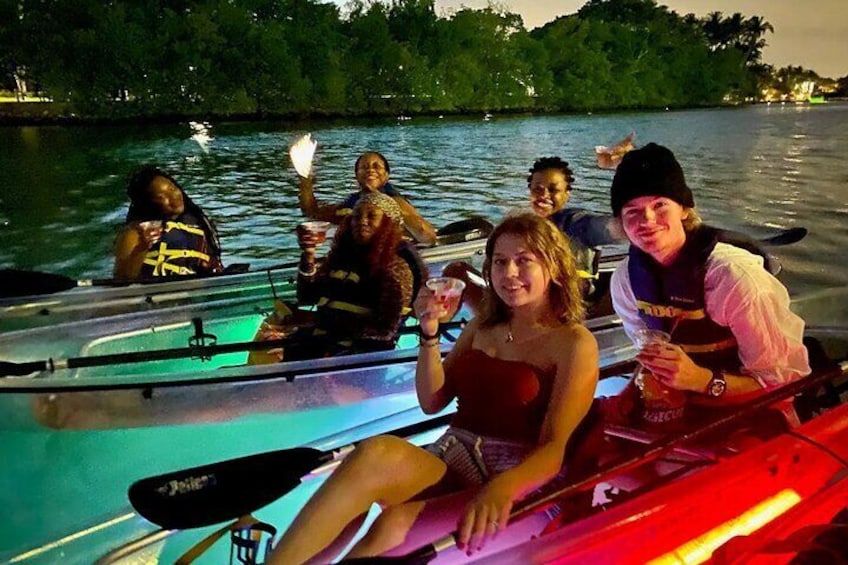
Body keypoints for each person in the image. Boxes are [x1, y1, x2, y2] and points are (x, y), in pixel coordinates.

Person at [268, 213, 599, 564]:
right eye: (500, 262)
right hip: (453, 462)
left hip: (516, 486)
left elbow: (554, 448)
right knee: (373, 453)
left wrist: (503, 489)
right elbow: (432, 401)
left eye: (523, 261)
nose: (509, 274)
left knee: (392, 524)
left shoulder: (573, 343)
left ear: (554, 267)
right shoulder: (482, 328)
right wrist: (429, 331)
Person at [606, 142, 811, 431]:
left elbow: (783, 383)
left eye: (659, 205)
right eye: (632, 211)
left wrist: (700, 380)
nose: (647, 220)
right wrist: (631, 393)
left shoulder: (734, 278)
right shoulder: (625, 280)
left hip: (752, 410)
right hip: (680, 408)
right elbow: (649, 355)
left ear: (685, 210)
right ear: (620, 223)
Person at [249, 192, 422, 364]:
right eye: (356, 216)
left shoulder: (396, 265)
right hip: (322, 344)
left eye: (372, 216)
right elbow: (307, 297)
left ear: (387, 223)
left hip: (358, 356)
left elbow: (384, 330)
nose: (362, 221)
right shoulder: (345, 257)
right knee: (265, 346)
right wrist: (308, 255)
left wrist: (320, 325)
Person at [291, 135, 437, 245]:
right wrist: (305, 179)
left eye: (376, 166)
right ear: (356, 176)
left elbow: (427, 236)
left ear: (386, 176)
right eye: (364, 167)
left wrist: (384, 203)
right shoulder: (353, 202)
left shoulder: (395, 201)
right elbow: (312, 212)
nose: (370, 170)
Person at [113, 165, 223, 280]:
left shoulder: (201, 224)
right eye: (162, 196)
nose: (174, 197)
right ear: (149, 203)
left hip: (198, 290)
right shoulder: (137, 232)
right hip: (159, 293)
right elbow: (122, 278)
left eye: (173, 189)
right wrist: (142, 248)